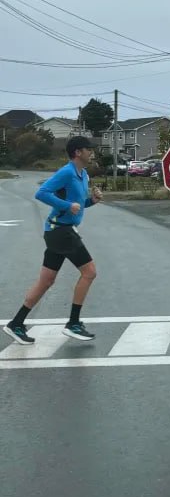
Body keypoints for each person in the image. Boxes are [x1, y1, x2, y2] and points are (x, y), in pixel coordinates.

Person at [3, 136, 102, 345]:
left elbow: (78, 205)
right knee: (90, 272)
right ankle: (73, 323)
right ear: (77, 152)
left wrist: (90, 201)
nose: (92, 152)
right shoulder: (66, 172)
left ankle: (16, 324)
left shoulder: (82, 174)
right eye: (88, 149)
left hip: (62, 230)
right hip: (60, 231)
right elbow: (42, 193)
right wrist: (67, 206)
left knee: (46, 280)